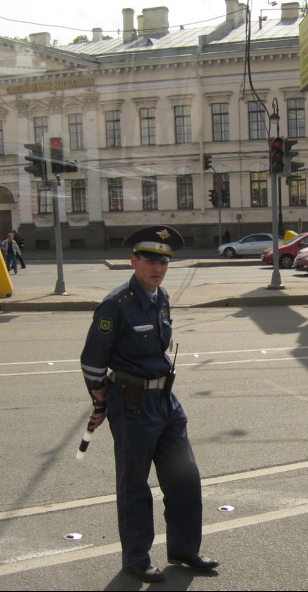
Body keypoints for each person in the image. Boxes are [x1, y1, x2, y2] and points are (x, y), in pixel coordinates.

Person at [79, 225, 218, 583]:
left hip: (166, 402)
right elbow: (93, 361)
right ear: (134, 261)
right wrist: (99, 398)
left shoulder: (162, 297)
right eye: (151, 261)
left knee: (184, 477)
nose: (158, 268)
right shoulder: (116, 305)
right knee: (135, 486)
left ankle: (184, 548)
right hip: (132, 404)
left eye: (164, 262)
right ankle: (137, 557)